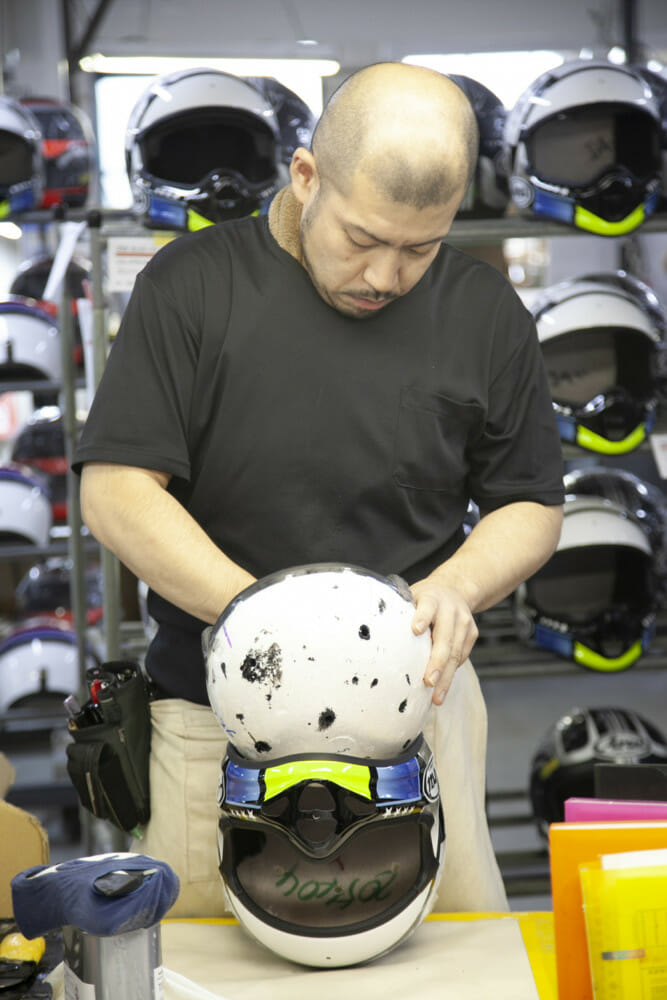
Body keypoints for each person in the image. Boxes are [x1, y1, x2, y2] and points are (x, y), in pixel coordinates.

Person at [74, 62, 564, 918]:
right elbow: (117, 490)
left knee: (452, 960)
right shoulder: (189, 287)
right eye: (362, 237)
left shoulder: (484, 312)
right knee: (205, 968)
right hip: (214, 722)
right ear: (305, 176)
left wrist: (456, 585)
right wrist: (266, 621)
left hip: (420, 719)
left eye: (420, 248)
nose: (384, 276)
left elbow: (529, 502)